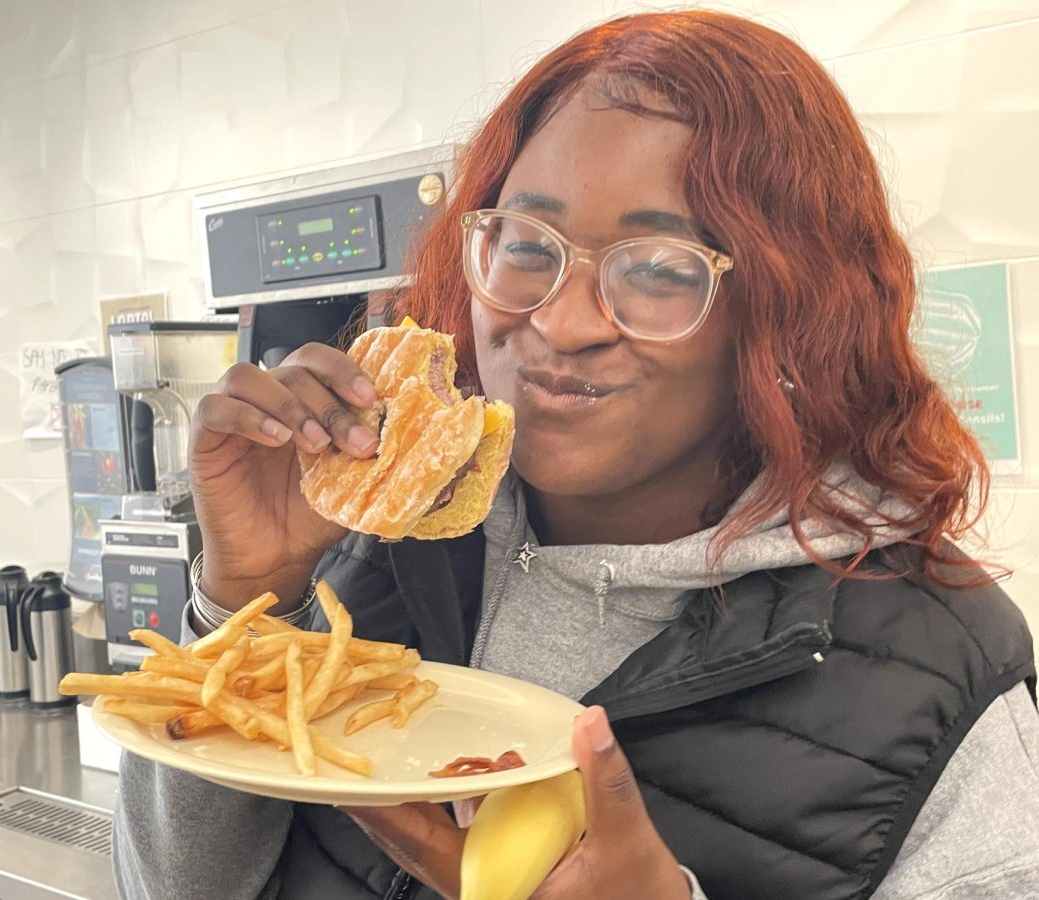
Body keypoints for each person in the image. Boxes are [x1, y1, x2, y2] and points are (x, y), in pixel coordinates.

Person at [114, 10, 1038, 900]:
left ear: (790, 309)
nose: (558, 321)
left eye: (660, 268)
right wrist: (242, 603)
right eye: (526, 244)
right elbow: (170, 887)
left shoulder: (939, 682)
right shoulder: (370, 551)